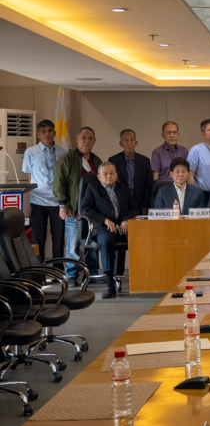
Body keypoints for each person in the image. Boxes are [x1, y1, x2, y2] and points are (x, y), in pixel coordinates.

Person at [80, 162, 139, 298]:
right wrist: (104, 220)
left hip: (123, 228)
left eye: (111, 173)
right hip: (103, 229)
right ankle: (109, 284)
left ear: (116, 175)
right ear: (99, 176)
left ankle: (141, 280)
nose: (108, 176)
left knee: (140, 240)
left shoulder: (123, 189)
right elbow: (85, 209)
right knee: (106, 242)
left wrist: (126, 219)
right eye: (105, 174)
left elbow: (134, 207)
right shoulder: (92, 188)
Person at [53, 127, 102, 286]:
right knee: (73, 246)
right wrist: (62, 204)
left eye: (90, 138)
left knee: (92, 245)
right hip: (74, 211)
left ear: (94, 141)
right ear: (77, 139)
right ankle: (72, 275)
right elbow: (59, 183)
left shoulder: (97, 161)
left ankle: (92, 273)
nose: (86, 141)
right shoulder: (67, 159)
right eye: (83, 138)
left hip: (93, 213)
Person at [23, 119, 67, 266]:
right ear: (38, 134)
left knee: (58, 238)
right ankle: (39, 270)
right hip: (38, 201)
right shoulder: (30, 152)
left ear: (54, 132)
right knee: (38, 237)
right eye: (43, 131)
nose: (47, 134)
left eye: (49, 130)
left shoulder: (63, 151)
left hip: (58, 202)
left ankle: (57, 269)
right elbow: (30, 177)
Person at [109, 129, 152, 215]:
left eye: (132, 140)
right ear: (121, 143)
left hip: (140, 203)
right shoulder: (113, 160)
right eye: (126, 140)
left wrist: (145, 205)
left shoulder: (144, 161)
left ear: (136, 143)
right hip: (121, 202)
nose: (129, 143)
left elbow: (148, 185)